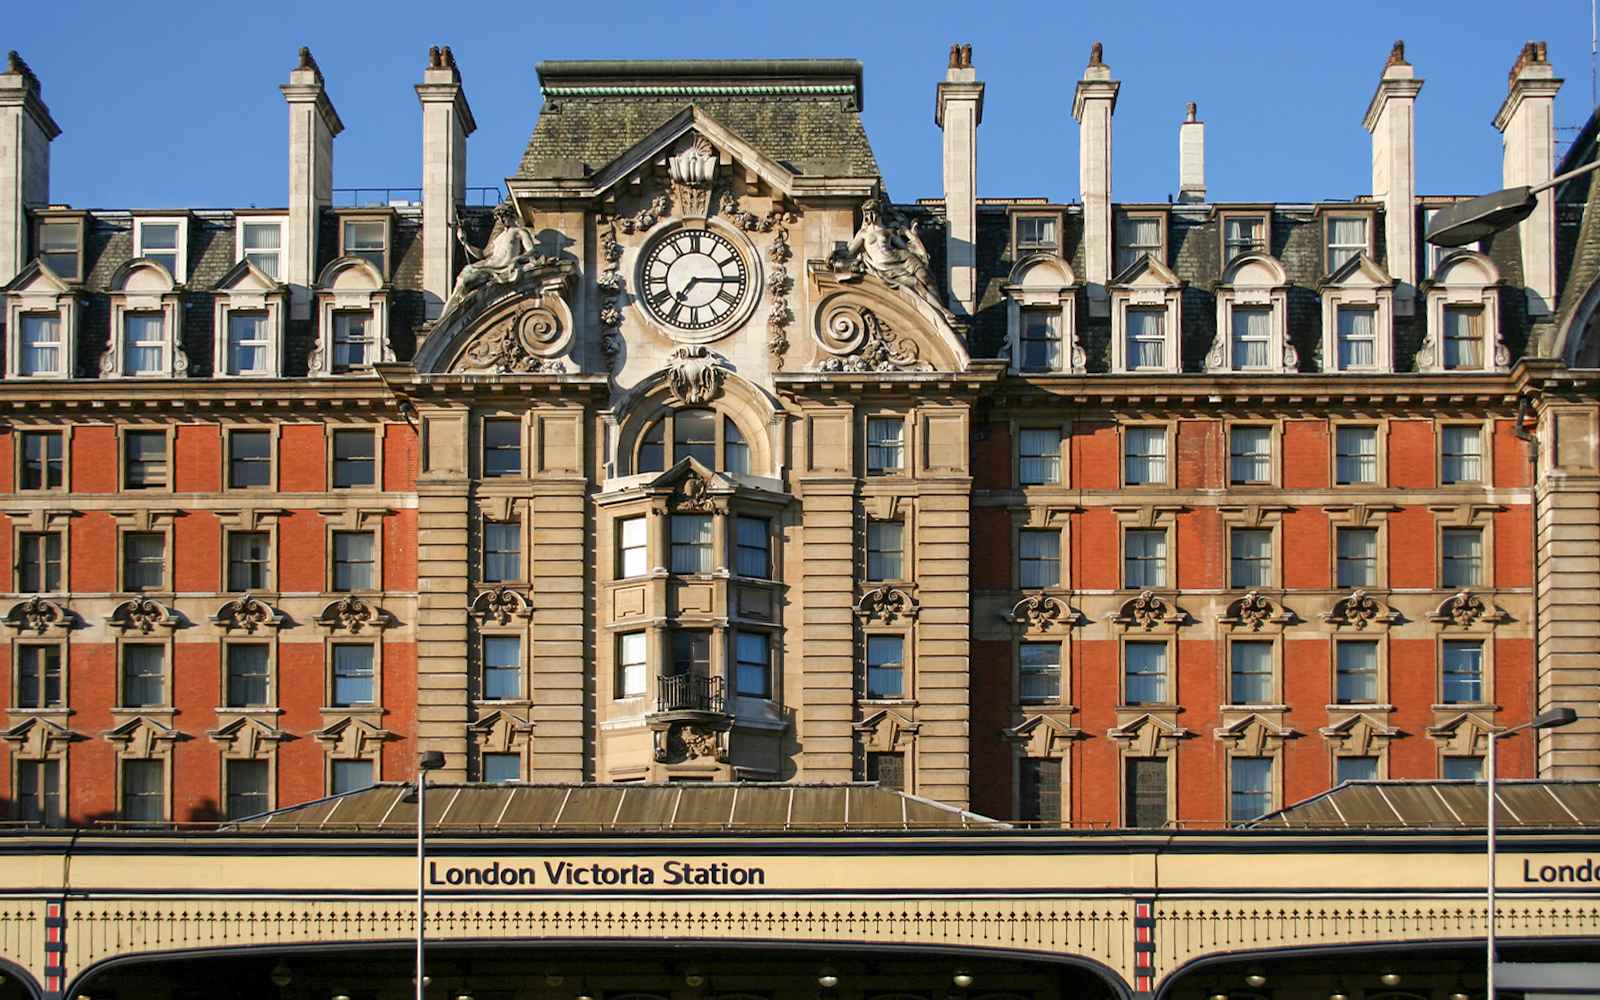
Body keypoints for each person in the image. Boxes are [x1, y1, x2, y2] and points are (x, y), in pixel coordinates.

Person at [439, 202, 541, 320]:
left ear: (512, 216)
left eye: (503, 217)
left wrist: (517, 259)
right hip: (485, 265)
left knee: (467, 283)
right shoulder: (498, 237)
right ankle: (443, 318)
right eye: (498, 218)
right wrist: (465, 242)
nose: (501, 220)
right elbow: (482, 254)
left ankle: (457, 314)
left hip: (498, 269)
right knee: (459, 282)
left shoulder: (519, 232)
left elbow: (532, 251)